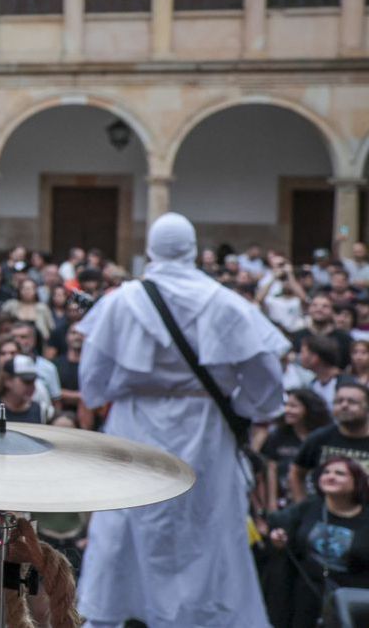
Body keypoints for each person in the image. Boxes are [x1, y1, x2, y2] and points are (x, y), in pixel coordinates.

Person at [75, 212, 288, 628]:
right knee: (206, 534)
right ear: (193, 249)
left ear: (150, 250)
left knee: (125, 532)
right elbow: (268, 387)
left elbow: (93, 386)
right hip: (206, 431)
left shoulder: (120, 303)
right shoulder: (227, 304)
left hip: (135, 428)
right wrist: (239, 406)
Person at [265, 456, 369, 628]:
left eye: (340, 473)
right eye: (326, 472)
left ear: (356, 481)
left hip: (351, 597)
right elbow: (279, 527)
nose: (330, 476)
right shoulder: (310, 506)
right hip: (305, 596)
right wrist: (279, 538)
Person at [290, 381, 369, 504]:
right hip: (324, 515)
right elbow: (296, 472)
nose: (344, 406)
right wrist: (302, 508)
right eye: (339, 401)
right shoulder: (320, 438)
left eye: (352, 402)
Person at [263, 388, 331, 512]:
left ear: (309, 409)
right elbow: (271, 469)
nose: (287, 410)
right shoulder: (278, 436)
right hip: (285, 501)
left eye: (293, 406)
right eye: (286, 405)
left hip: (318, 500)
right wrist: (271, 504)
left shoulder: (322, 436)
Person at [0, 356, 46, 424]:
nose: (31, 386)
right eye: (26, 382)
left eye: (33, 381)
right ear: (8, 380)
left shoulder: (42, 412)